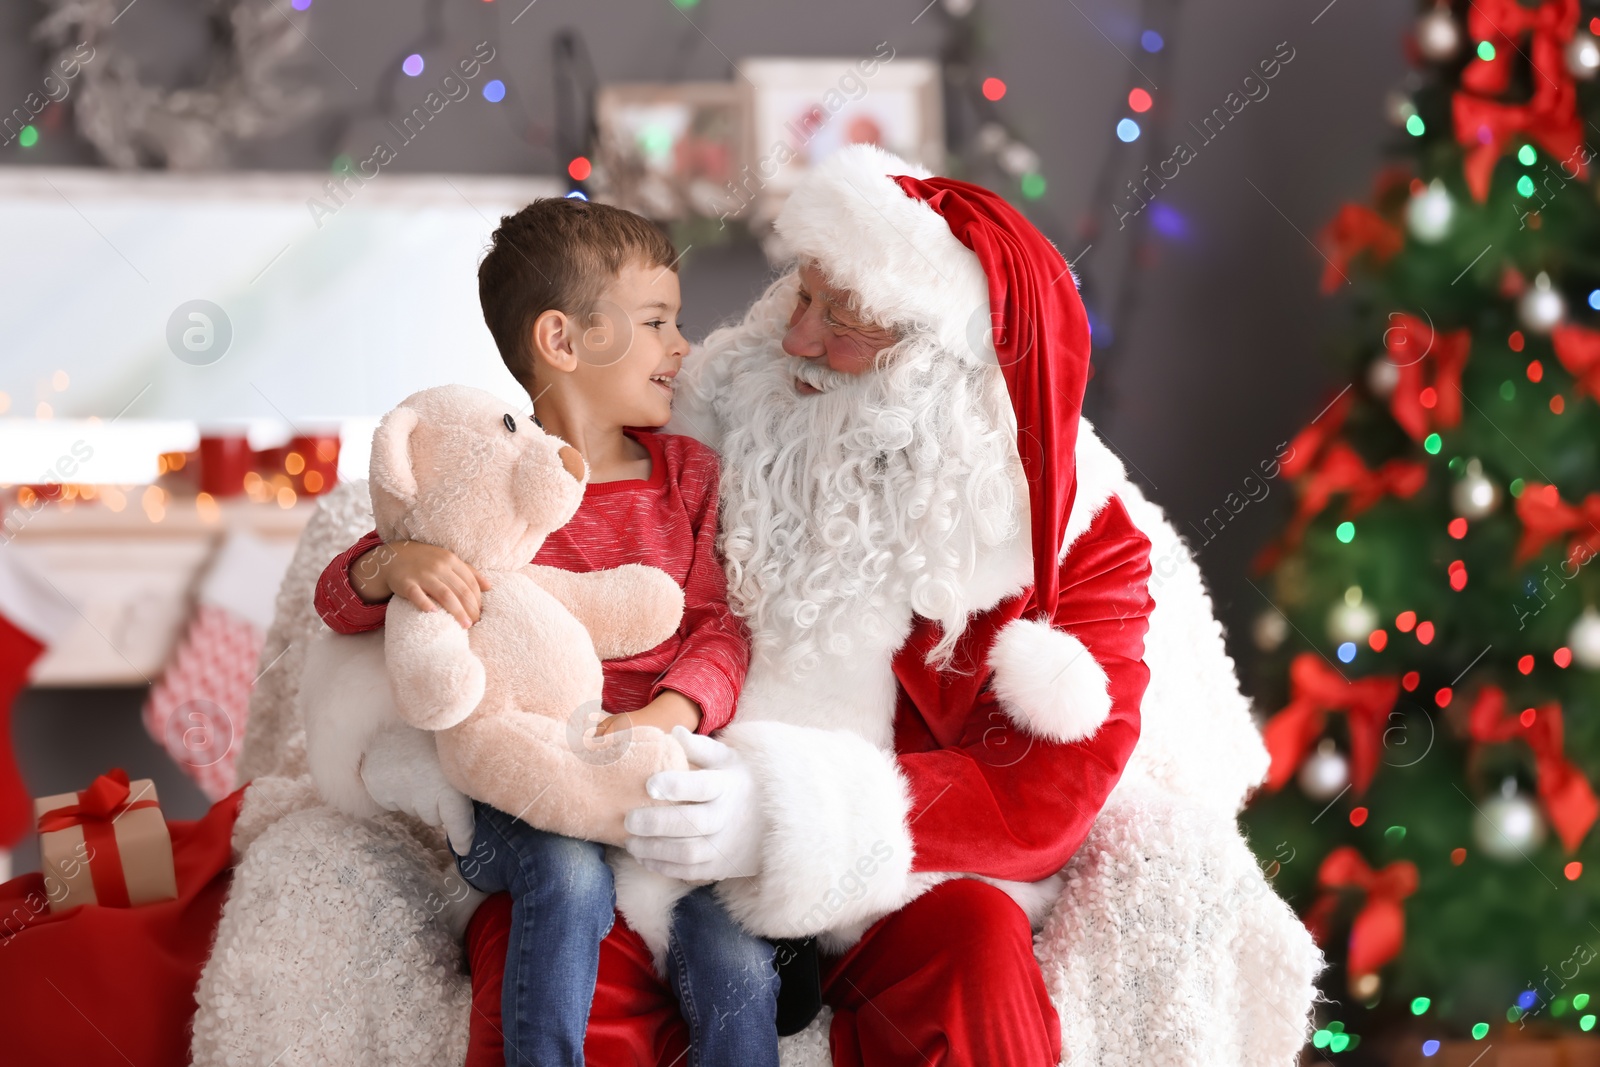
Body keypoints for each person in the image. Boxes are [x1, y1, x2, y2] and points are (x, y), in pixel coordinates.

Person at [456, 143, 1158, 1067]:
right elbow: (505, 497)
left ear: (942, 365)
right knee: (546, 951)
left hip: (889, 883)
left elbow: (1039, 793)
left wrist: (785, 818)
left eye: (846, 322)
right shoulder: (711, 402)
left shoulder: (1072, 531)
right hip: (649, 828)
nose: (797, 338)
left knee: (979, 957)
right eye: (805, 295)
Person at [312, 198, 780, 1067]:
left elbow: (719, 625)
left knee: (732, 943)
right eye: (656, 322)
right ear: (564, 341)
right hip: (524, 775)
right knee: (567, 879)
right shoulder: (490, 473)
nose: (683, 345)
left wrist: (667, 716)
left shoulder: (687, 477)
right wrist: (395, 563)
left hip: (651, 768)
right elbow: (336, 601)